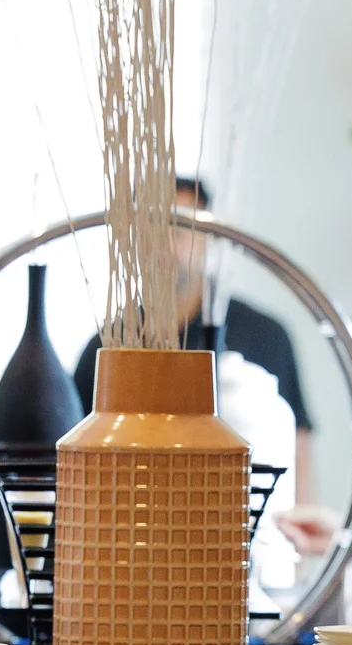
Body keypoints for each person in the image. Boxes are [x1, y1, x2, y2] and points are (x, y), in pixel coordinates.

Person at [71, 173, 316, 496]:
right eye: (152, 229)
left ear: (207, 236)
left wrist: (297, 526)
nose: (166, 245)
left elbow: (296, 445)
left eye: (180, 229)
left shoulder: (264, 334)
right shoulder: (109, 346)